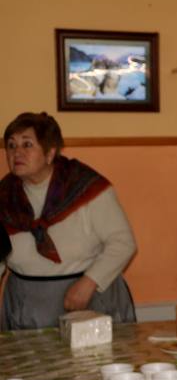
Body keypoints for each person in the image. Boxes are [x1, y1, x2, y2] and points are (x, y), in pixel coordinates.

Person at [1, 112, 136, 330]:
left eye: (27, 145)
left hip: (88, 301)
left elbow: (123, 243)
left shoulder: (85, 187)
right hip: (26, 307)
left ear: (49, 153)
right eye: (11, 145)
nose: (17, 152)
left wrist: (88, 283)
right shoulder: (4, 197)